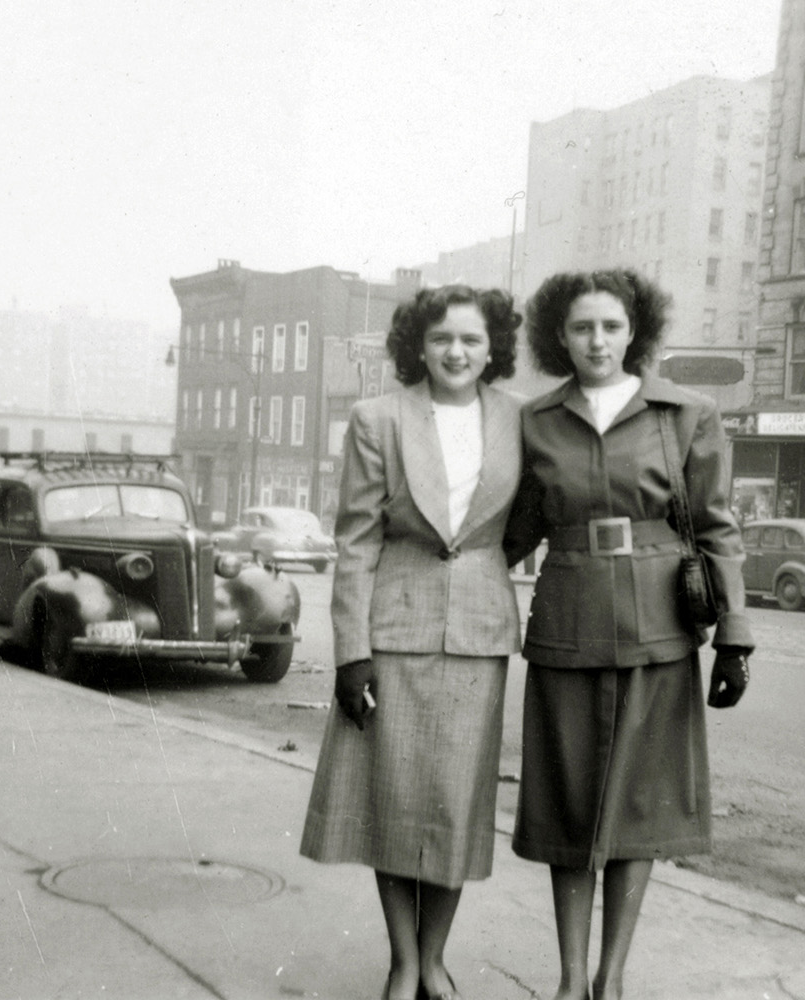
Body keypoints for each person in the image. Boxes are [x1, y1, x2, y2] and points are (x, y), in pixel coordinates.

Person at [503, 269, 755, 1000]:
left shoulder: (686, 414)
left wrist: (734, 636)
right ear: (560, 336)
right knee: (569, 806)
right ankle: (570, 978)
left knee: (639, 808)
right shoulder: (535, 420)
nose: (598, 340)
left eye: (612, 326)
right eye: (582, 327)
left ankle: (610, 981)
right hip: (568, 625)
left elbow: (716, 527)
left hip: (659, 630)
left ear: (634, 332)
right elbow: (511, 531)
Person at [300, 284, 523, 1000]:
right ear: (417, 347)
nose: (455, 352)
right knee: (393, 801)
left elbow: (526, 522)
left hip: (478, 634)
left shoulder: (521, 422)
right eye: (440, 340)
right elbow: (357, 540)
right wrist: (350, 652)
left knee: (454, 808)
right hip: (394, 633)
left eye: (470, 340)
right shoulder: (378, 420)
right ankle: (403, 961)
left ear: (494, 349)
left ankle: (435, 959)